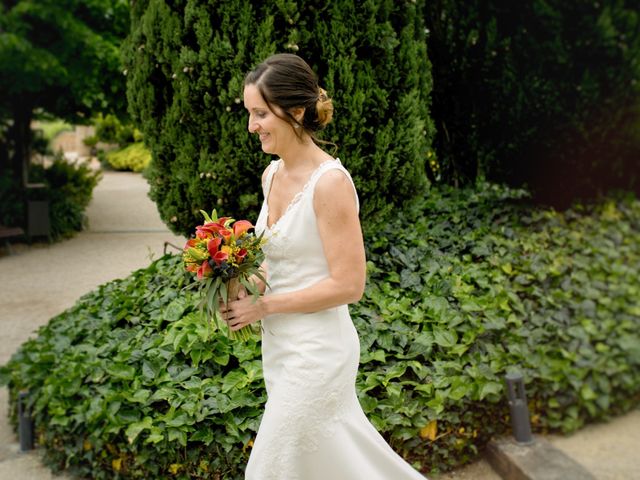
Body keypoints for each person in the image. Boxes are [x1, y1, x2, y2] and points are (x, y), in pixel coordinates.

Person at [222, 53, 426, 480]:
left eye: (260, 113)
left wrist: (264, 308)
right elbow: (278, 259)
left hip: (318, 352)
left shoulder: (330, 183)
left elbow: (349, 285)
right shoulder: (271, 176)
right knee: (331, 465)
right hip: (280, 348)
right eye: (249, 113)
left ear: (295, 112)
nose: (251, 125)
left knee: (269, 470)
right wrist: (238, 282)